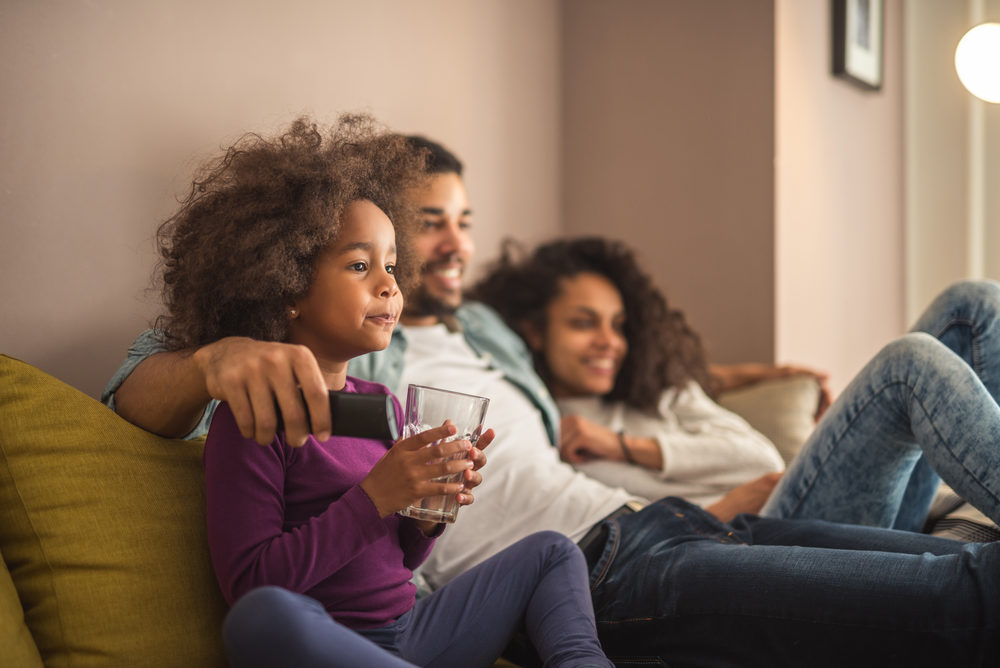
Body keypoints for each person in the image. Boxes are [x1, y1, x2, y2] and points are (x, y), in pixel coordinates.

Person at [104, 135, 1000, 665]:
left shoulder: (484, 332)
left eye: (458, 221)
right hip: (618, 570)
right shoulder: (304, 371)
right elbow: (156, 374)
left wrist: (743, 379)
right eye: (425, 222)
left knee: (969, 310)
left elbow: (633, 367)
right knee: (963, 574)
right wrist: (222, 355)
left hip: (667, 522)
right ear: (288, 270)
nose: (442, 248)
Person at [146, 115, 613, 668]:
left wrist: (425, 517)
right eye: (361, 265)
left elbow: (397, 563)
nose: (390, 284)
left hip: (411, 632)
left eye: (391, 265)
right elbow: (251, 583)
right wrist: (375, 497)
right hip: (329, 640)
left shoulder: (384, 404)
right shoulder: (252, 418)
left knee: (554, 550)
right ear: (286, 283)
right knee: (260, 616)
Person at [470, 236, 785, 513]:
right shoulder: (538, 428)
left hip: (772, 516)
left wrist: (620, 445)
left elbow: (763, 462)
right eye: (583, 323)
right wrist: (721, 512)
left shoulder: (660, 392)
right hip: (708, 542)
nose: (609, 342)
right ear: (535, 331)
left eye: (618, 326)